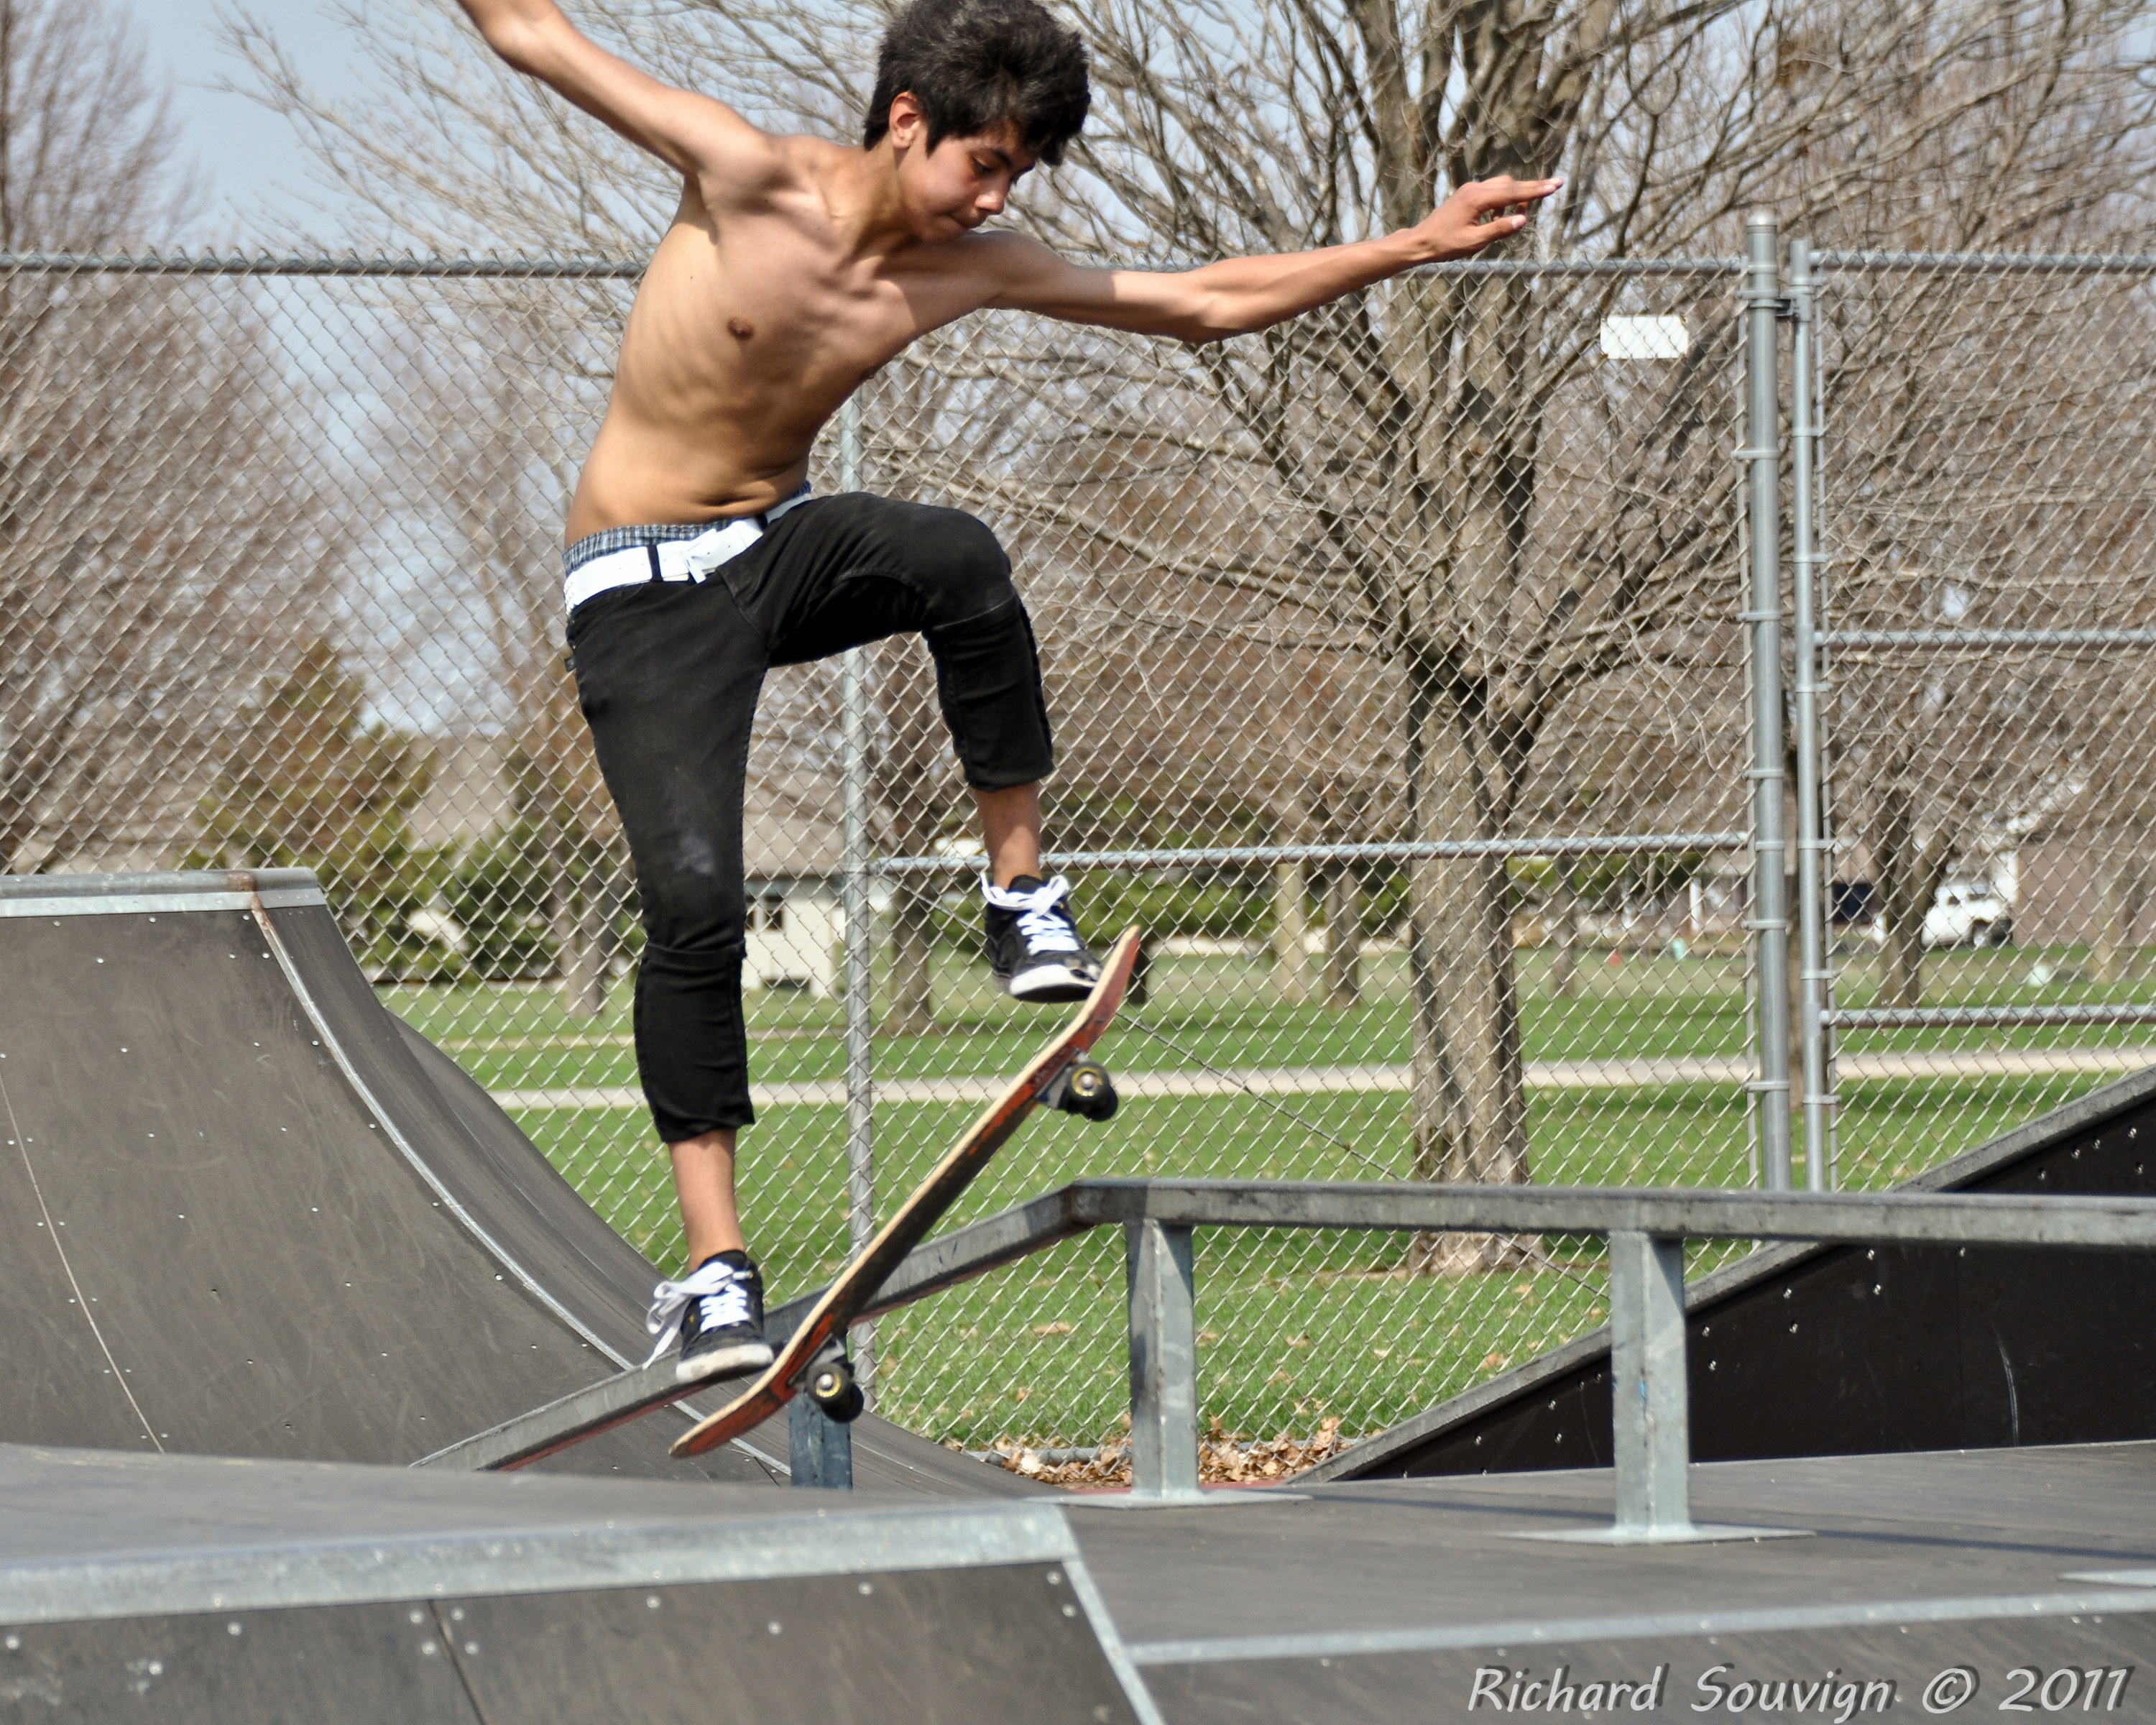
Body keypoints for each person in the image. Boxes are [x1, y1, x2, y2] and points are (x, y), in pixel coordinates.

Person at [451, 0, 1560, 1385]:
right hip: (638, 593)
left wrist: (1413, 245)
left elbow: (1199, 305)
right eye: (983, 165)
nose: (994, 200)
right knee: (695, 906)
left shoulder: (972, 266)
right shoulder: (742, 174)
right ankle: (714, 1273)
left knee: (958, 555)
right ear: (905, 120)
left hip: (776, 549)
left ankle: (1019, 894)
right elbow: (534, 34)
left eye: (1017, 177)